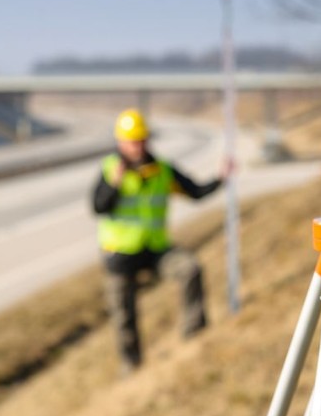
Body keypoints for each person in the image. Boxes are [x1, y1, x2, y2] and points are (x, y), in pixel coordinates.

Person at [91, 108, 230, 374]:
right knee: (124, 316)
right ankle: (131, 367)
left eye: (141, 139)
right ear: (121, 142)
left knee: (190, 269)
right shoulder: (110, 170)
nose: (137, 146)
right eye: (131, 140)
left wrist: (220, 179)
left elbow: (195, 191)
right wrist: (114, 185)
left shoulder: (162, 170)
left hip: (155, 250)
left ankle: (195, 336)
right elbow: (98, 206)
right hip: (120, 255)